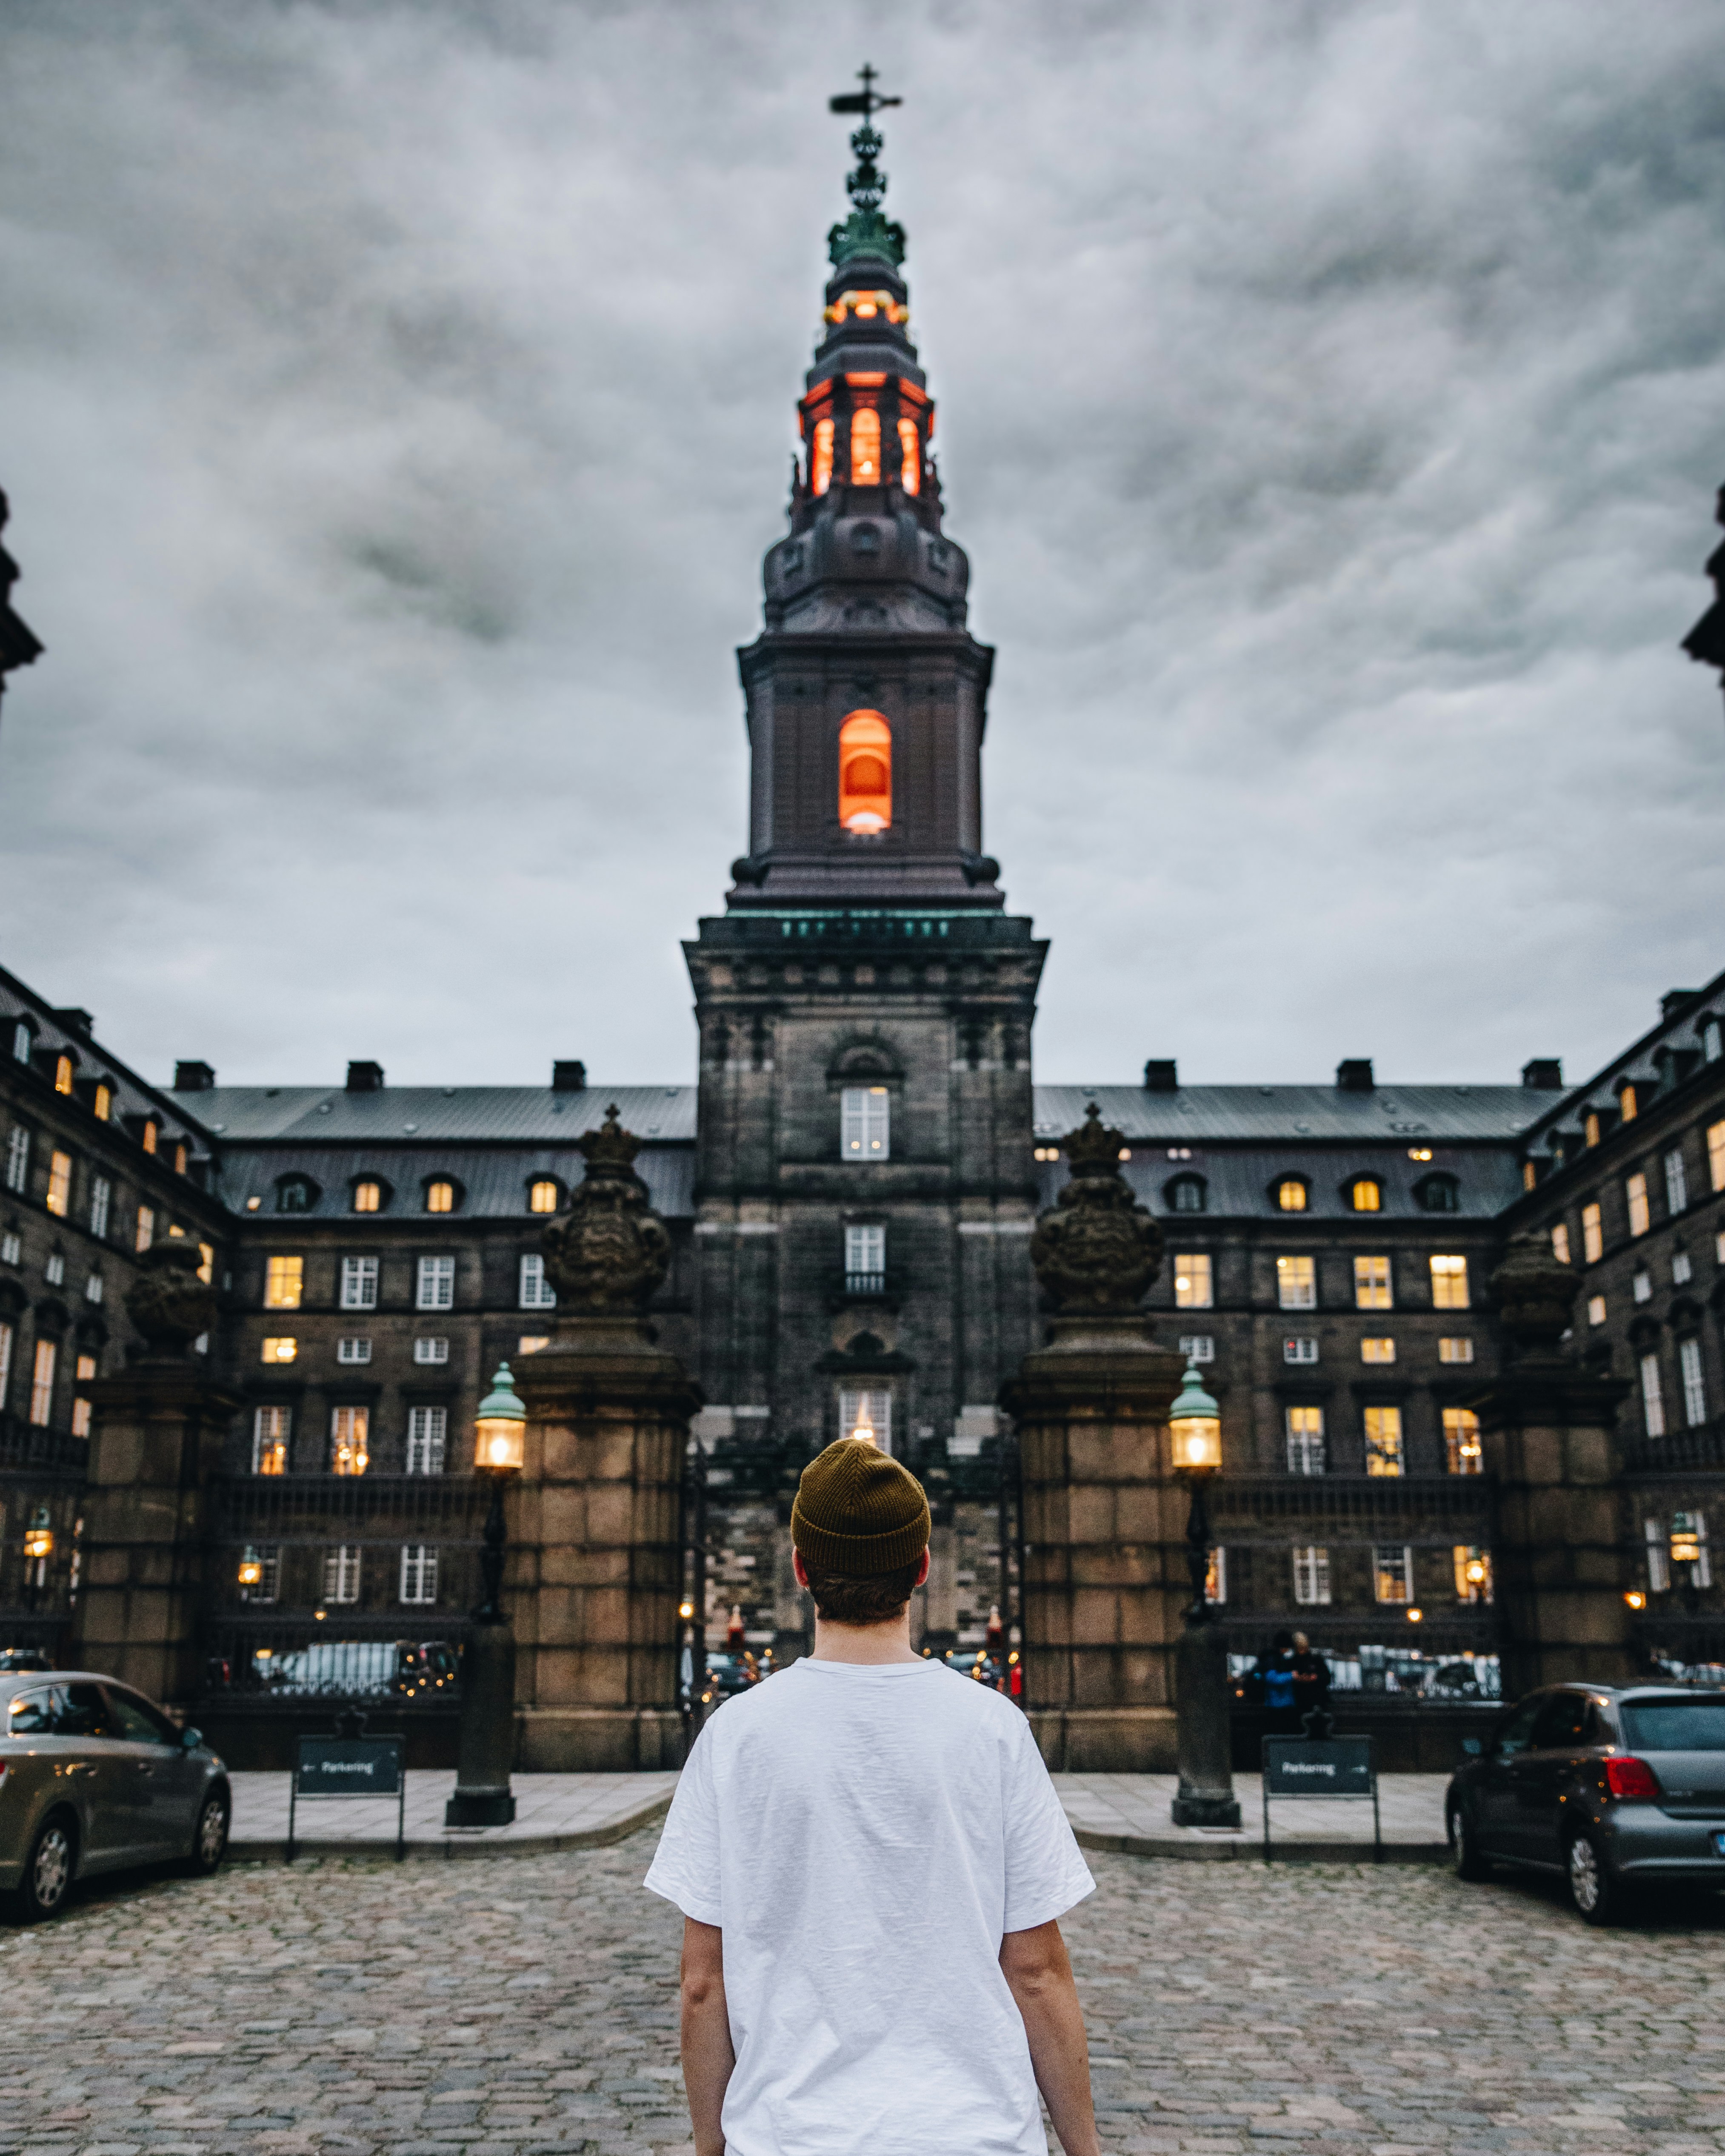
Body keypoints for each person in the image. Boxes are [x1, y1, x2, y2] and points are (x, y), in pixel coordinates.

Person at [645, 1435, 1102, 2156]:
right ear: (920, 1568)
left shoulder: (736, 1734)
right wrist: (1085, 2150)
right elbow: (1037, 1973)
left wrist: (710, 2147)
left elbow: (703, 1982)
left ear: (801, 1568)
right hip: (970, 2134)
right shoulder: (993, 1728)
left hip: (790, 2136)